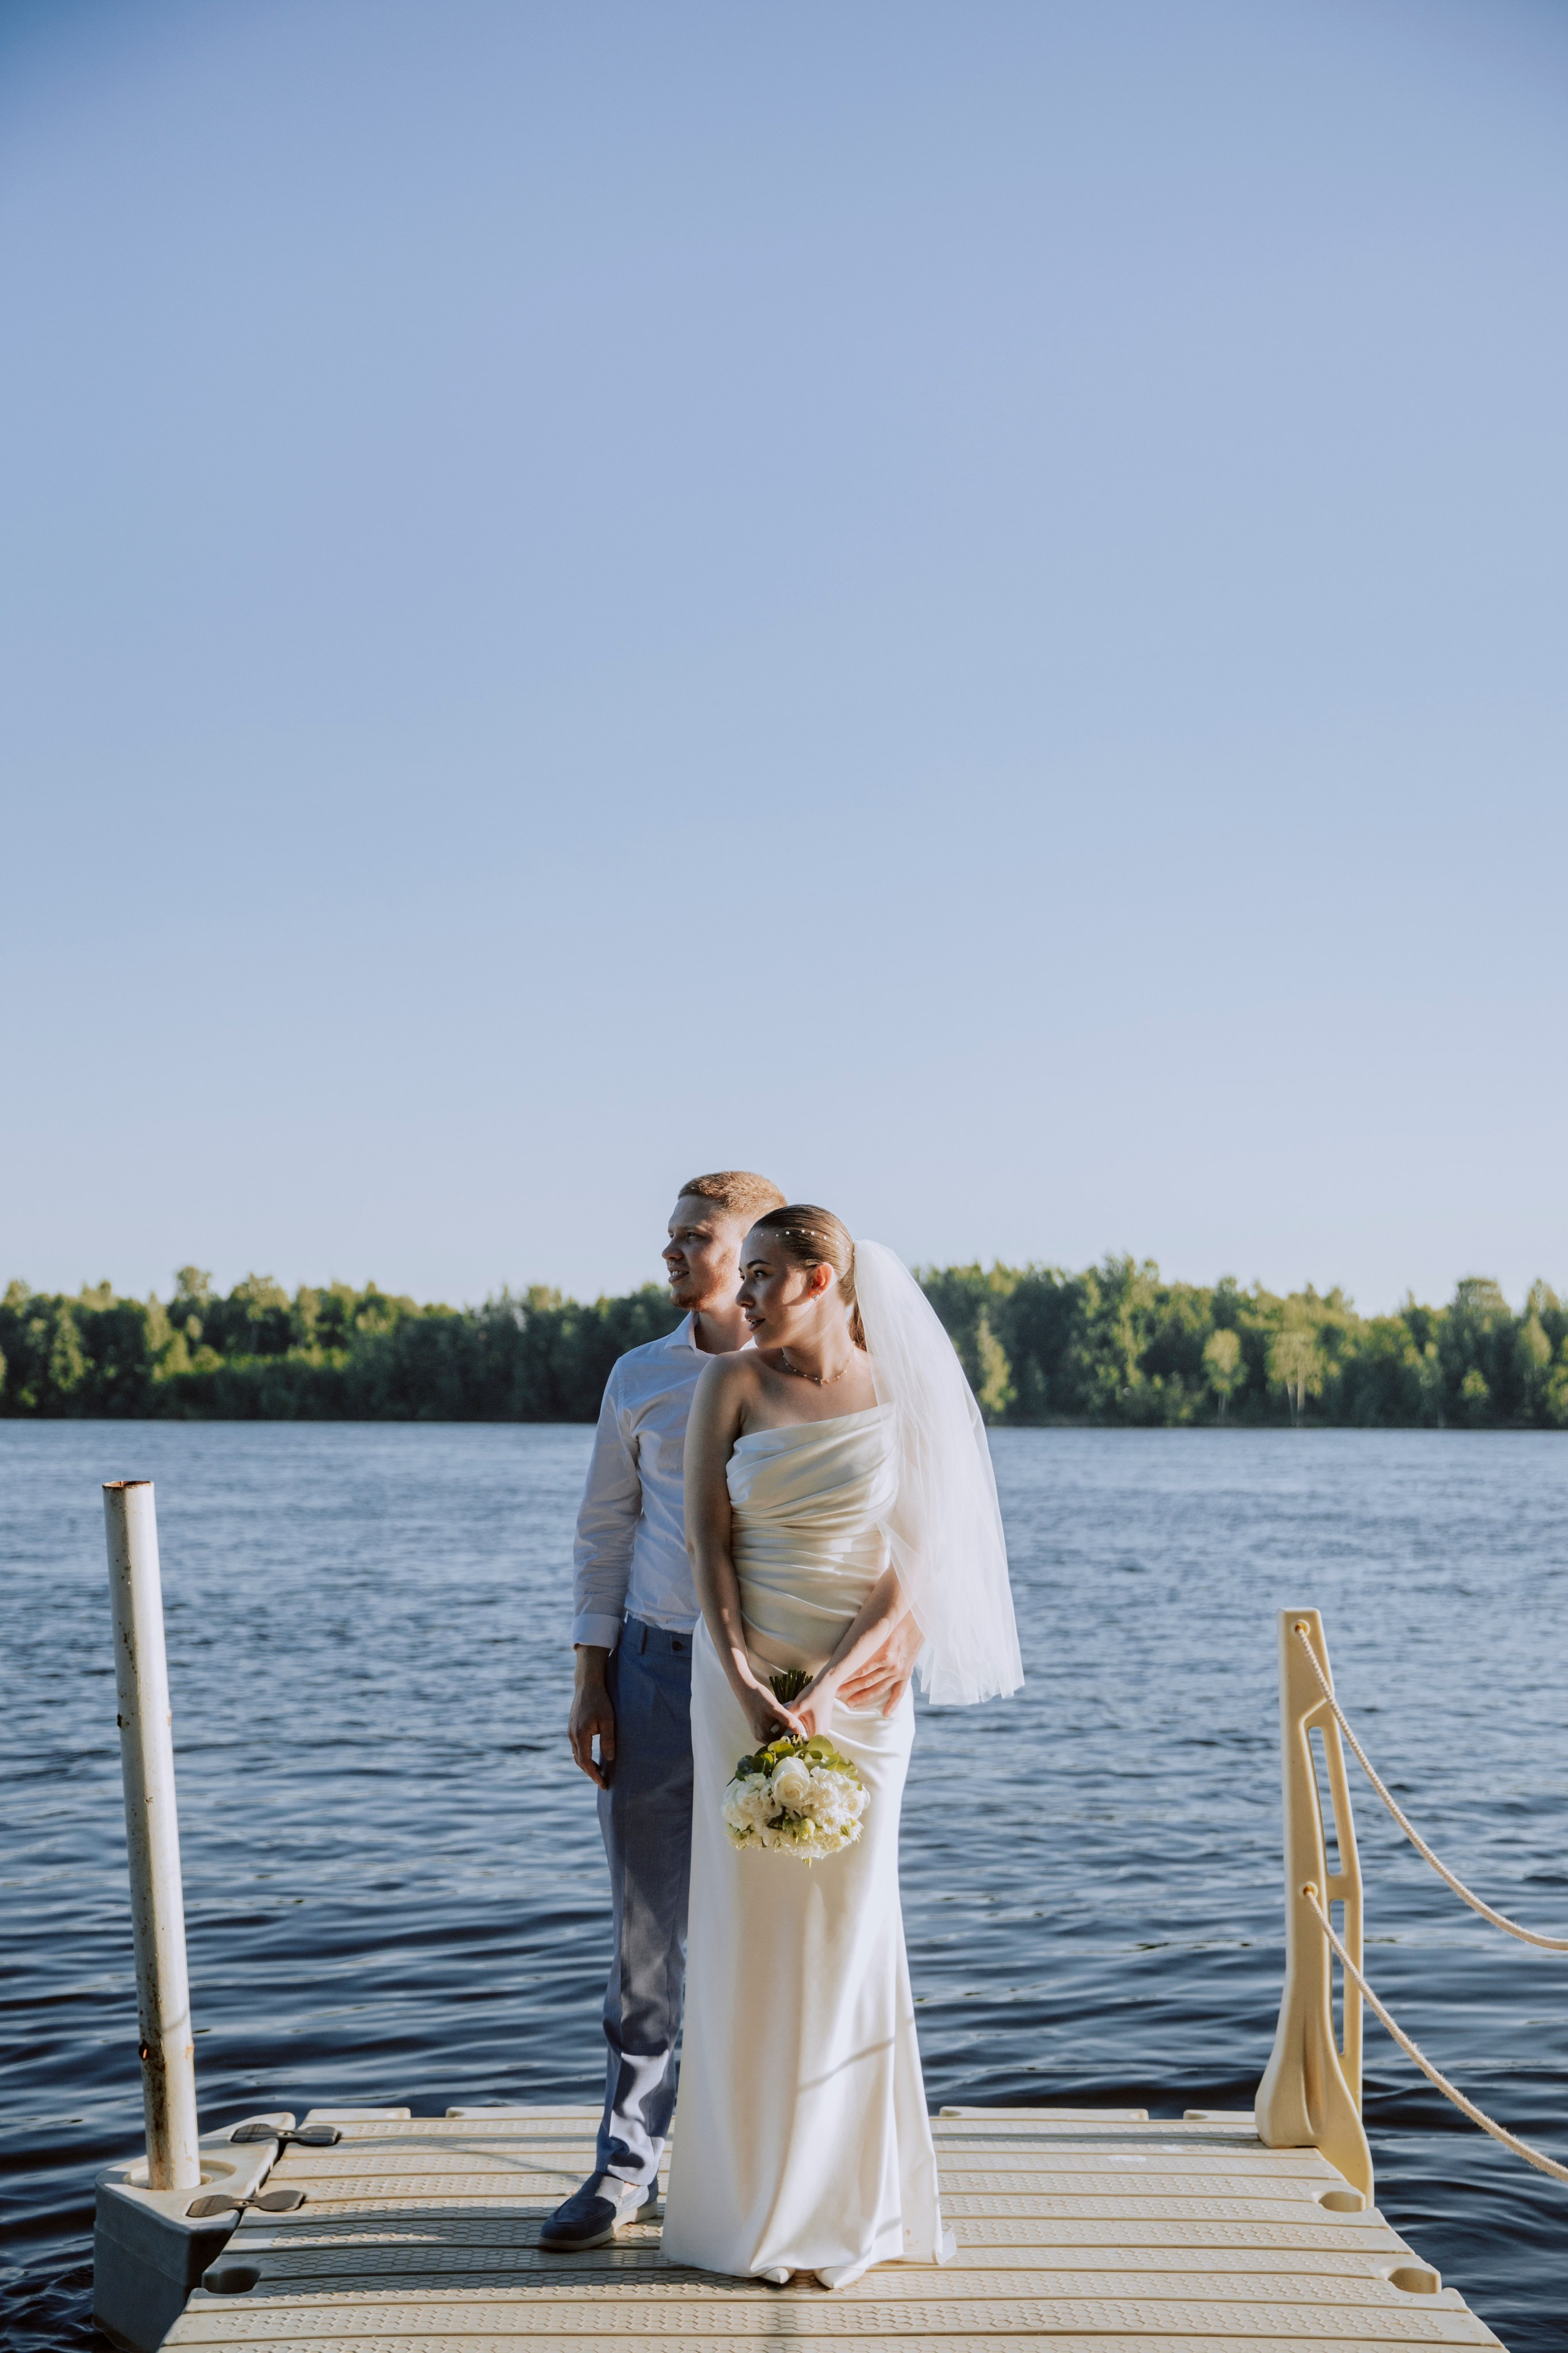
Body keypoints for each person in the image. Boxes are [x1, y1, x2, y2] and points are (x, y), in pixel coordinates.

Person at [545, 1175, 927, 2254]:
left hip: (813, 1687)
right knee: (647, 1934)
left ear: (770, 1252)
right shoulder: (645, 1376)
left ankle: (741, 2162)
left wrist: (859, 1665)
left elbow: (905, 1543)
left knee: (773, 1938)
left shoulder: (835, 1372)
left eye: (698, 1236)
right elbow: (603, 1533)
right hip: (665, 1674)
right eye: (670, 1236)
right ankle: (625, 2165)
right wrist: (591, 1676)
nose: (673, 1252)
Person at [660, 1204, 1022, 2289]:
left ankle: (851, 2208)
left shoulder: (900, 1391)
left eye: (765, 1275)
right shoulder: (729, 1384)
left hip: (861, 1698)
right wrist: (739, 1669)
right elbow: (703, 1542)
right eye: (747, 1272)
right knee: (745, 1935)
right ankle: (744, 2208)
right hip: (739, 1684)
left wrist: (829, 1684)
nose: (747, 1293)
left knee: (852, 1933)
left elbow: (919, 1556)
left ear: (823, 1280)